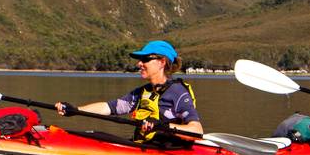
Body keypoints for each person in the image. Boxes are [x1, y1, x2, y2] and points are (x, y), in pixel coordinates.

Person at [54, 40, 204, 145]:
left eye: (145, 59)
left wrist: (163, 126)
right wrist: (76, 110)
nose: (139, 63)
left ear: (162, 62)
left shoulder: (178, 92)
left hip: (165, 150)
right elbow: (110, 107)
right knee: (96, 135)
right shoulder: (142, 93)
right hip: (143, 146)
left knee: (98, 137)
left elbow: (196, 131)